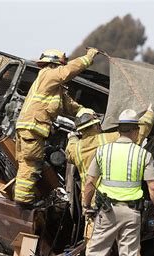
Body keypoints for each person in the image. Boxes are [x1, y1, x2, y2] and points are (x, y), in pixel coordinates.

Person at [74, 109, 154, 256]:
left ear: (119, 129)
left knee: (95, 253)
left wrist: (87, 205)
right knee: (129, 255)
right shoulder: (143, 155)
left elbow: (89, 183)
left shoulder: (103, 151)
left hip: (107, 211)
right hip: (132, 213)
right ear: (134, 131)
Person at [14, 48, 99, 207]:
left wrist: (84, 111)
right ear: (54, 64)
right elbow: (67, 72)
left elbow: (69, 105)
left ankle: (23, 199)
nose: (61, 68)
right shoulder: (48, 73)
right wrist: (89, 57)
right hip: (33, 128)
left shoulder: (54, 88)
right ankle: (24, 203)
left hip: (29, 128)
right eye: (60, 65)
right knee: (30, 164)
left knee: (27, 163)